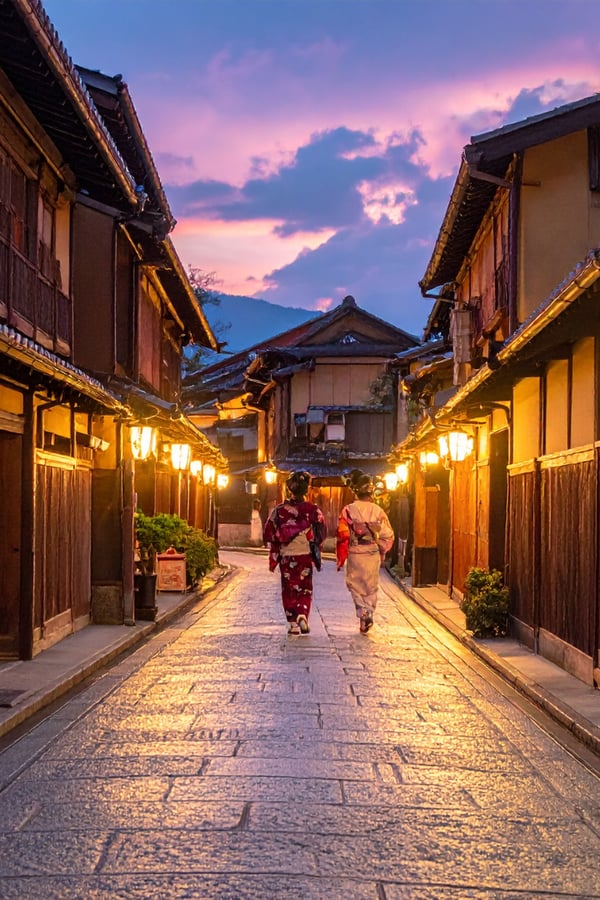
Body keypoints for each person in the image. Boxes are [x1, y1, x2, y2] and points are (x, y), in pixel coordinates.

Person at [263, 471, 327, 635]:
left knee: (289, 588)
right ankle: (302, 614)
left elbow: (268, 532)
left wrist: (280, 538)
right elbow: (322, 531)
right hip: (304, 553)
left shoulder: (280, 511)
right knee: (305, 587)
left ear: (289, 489)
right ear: (306, 490)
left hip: (287, 555)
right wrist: (313, 542)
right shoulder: (313, 510)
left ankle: (292, 623)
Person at [336, 471, 394, 634]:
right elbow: (388, 534)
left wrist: (345, 548)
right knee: (371, 585)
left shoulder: (348, 510)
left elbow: (342, 532)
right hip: (371, 551)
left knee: (354, 584)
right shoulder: (378, 511)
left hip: (355, 551)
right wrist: (379, 542)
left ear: (355, 490)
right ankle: (368, 612)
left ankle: (362, 612)